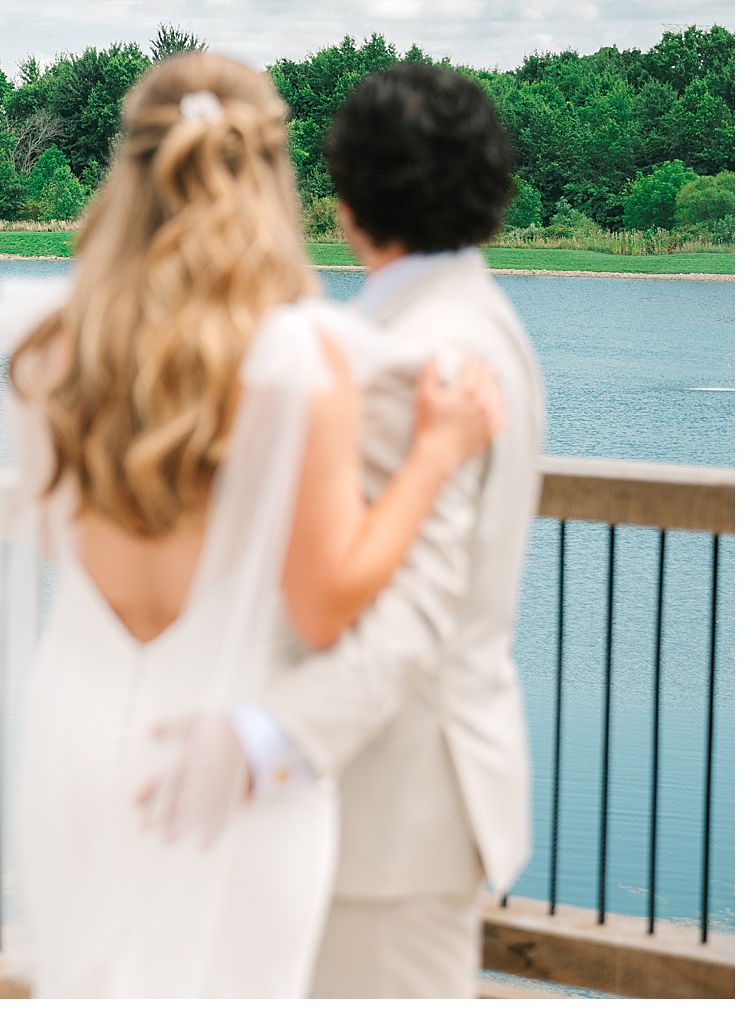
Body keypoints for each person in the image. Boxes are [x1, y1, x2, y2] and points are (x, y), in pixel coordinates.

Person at [0, 53, 507, 998]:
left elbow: (57, 534)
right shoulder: (301, 360)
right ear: (273, 176)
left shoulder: (51, 344)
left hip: (78, 734)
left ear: (128, 172)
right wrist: (433, 457)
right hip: (222, 759)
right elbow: (323, 604)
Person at [143, 64, 546, 998]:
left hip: (385, 813)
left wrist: (262, 736)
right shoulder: (481, 320)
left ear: (349, 194)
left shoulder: (416, 358)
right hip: (413, 800)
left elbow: (413, 616)